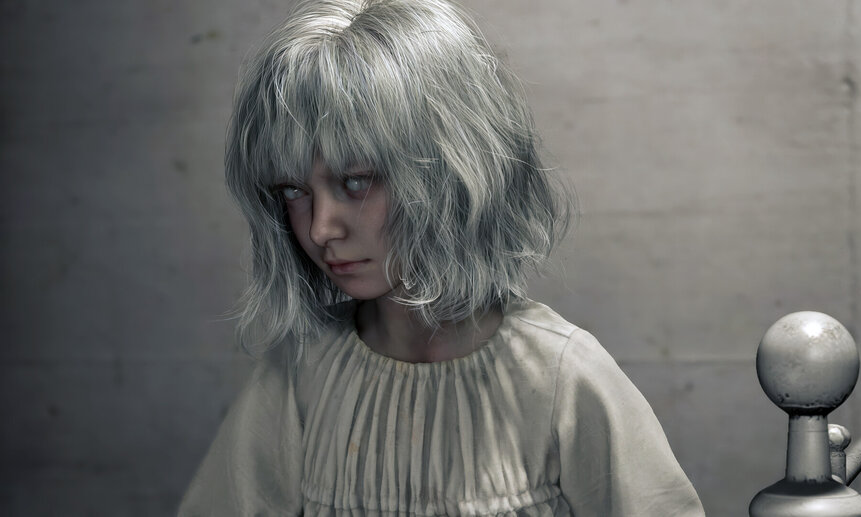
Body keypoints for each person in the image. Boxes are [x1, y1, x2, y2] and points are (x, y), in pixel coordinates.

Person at [179, 0, 705, 515]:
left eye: (356, 181)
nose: (320, 228)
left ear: (451, 171)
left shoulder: (560, 377)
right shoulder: (302, 374)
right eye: (294, 191)